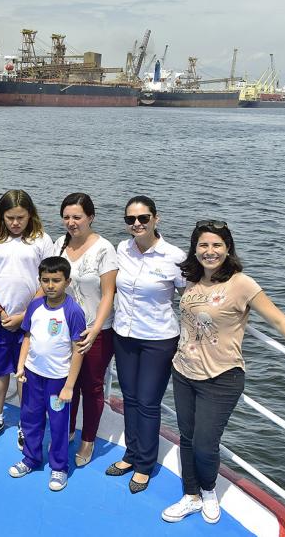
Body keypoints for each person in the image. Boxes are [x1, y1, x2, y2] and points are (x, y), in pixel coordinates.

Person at [162, 221, 285, 524]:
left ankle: (209, 492)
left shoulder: (241, 284)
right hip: (183, 371)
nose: (209, 251)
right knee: (187, 437)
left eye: (216, 245)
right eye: (203, 245)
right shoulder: (192, 278)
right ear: (195, 248)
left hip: (222, 377)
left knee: (205, 442)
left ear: (227, 248)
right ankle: (191, 494)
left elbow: (279, 320)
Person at [106, 196, 186, 493]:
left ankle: (144, 464)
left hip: (158, 339)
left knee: (149, 402)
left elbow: (189, 296)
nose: (137, 224)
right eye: (131, 220)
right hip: (124, 335)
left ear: (156, 219)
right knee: (130, 398)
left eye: (143, 218)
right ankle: (131, 453)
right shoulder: (121, 250)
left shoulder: (174, 256)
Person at [0, 190, 53, 448]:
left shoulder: (42, 240)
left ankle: (25, 423)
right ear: (1, 217)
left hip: (31, 320)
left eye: (21, 217)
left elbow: (47, 281)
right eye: (10, 218)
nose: (15, 223)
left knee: (26, 373)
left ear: (30, 215)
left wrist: (24, 315)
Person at [8, 256, 86, 492]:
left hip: (58, 380)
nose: (50, 285)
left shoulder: (73, 312)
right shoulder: (35, 306)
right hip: (33, 376)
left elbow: (78, 350)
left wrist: (69, 385)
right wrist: (21, 366)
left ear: (67, 281)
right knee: (30, 419)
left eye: (56, 280)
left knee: (59, 424)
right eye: (45, 280)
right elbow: (28, 337)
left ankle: (59, 467)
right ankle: (31, 458)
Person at [53, 193, 118, 466]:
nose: (71, 222)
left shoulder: (104, 249)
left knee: (91, 386)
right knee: (67, 383)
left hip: (96, 330)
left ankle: (88, 439)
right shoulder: (59, 244)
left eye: (77, 217)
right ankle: (68, 429)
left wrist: (95, 330)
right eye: (66, 217)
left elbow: (108, 294)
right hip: (63, 329)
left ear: (90, 217)